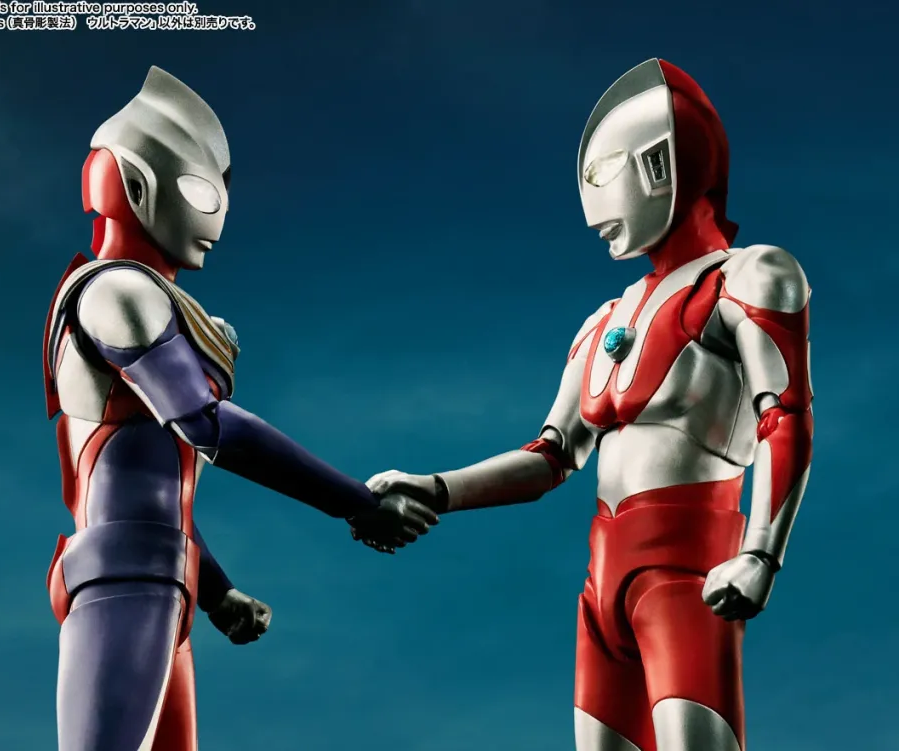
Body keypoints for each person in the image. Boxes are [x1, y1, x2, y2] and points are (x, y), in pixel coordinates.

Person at [363, 59, 813, 751]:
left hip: (687, 575)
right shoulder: (605, 319)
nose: (593, 205)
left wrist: (760, 553)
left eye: (605, 174)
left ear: (659, 164)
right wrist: (435, 488)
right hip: (601, 589)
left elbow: (783, 417)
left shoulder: (747, 278)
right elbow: (550, 456)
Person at [42, 66, 438, 751]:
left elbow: (153, 495)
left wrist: (217, 592)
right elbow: (207, 426)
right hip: (124, 577)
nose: (217, 216)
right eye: (200, 190)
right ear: (136, 186)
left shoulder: (136, 295)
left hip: (160, 576)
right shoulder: (115, 293)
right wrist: (355, 502)